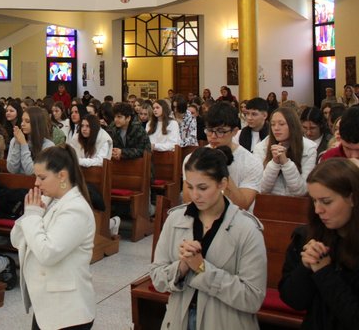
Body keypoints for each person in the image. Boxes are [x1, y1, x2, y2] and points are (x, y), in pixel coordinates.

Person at [150, 147, 267, 330]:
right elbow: (157, 277)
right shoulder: (175, 219)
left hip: (225, 322)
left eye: (203, 188)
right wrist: (181, 267)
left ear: (222, 184)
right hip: (179, 318)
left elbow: (252, 298)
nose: (195, 195)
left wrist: (203, 269)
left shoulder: (247, 228)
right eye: (189, 187)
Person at [11, 145, 97, 330]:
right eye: (36, 177)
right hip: (47, 305)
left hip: (68, 311)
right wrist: (30, 214)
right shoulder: (49, 200)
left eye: (42, 178)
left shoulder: (76, 209)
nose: (36, 183)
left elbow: (47, 253)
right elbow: (16, 239)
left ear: (62, 176)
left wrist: (32, 216)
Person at [279, 158, 359, 329]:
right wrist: (305, 267)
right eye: (314, 201)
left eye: (326, 201)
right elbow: (293, 301)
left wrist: (323, 272)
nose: (318, 210)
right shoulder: (306, 236)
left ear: (352, 198)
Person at [182, 102, 263, 211]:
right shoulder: (192, 159)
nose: (213, 137)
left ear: (234, 131)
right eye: (209, 130)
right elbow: (188, 201)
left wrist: (221, 167)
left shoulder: (251, 163)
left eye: (220, 131)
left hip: (236, 219)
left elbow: (242, 206)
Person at [253, 107, 317, 196]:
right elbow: (261, 189)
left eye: (281, 124)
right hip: (269, 202)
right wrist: (274, 163)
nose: (276, 128)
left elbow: (301, 191)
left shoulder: (309, 148)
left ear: (292, 125)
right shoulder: (261, 148)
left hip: (297, 203)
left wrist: (285, 162)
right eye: (273, 124)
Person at [7, 107, 53, 175]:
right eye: (22, 120)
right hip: (16, 180)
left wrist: (23, 144)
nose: (22, 124)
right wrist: (17, 143)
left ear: (37, 124)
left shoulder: (48, 145)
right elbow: (12, 170)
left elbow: (31, 172)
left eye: (27, 121)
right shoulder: (15, 140)